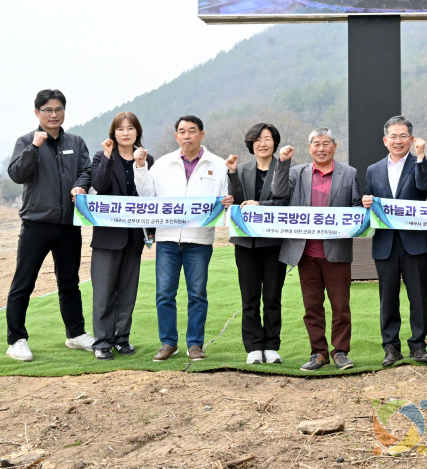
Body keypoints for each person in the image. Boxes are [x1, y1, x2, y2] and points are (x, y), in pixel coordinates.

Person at [4, 89, 95, 362]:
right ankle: (16, 339)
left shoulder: (76, 142)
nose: (53, 114)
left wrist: (81, 185)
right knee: (24, 282)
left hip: (69, 224)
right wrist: (35, 147)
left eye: (58, 109)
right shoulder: (26, 141)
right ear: (37, 113)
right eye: (47, 110)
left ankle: (76, 334)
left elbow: (86, 170)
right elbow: (17, 174)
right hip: (36, 224)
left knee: (69, 282)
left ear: (64, 111)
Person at [134, 115, 233, 363]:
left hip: (199, 241)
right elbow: (147, 195)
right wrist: (140, 168)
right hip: (167, 239)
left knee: (197, 294)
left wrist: (228, 201)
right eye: (181, 131)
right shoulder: (164, 163)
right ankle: (168, 343)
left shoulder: (218, 165)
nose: (186, 136)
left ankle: (195, 344)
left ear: (202, 134)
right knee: (165, 293)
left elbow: (226, 197)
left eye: (192, 131)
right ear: (176, 136)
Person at [272, 128, 363, 372]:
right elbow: (279, 193)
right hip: (305, 253)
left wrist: (363, 207)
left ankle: (341, 352)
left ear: (335, 146)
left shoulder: (349, 173)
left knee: (340, 306)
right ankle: (318, 353)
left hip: (336, 252)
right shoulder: (295, 172)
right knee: (312, 307)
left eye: (326, 143)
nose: (321, 148)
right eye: (316, 144)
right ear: (309, 147)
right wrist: (282, 162)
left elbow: (355, 208)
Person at [361, 116, 427, 367]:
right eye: (393, 136)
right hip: (386, 243)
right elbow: (368, 204)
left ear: (412, 139)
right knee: (388, 298)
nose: (398, 140)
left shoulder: (420, 164)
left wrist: (422, 156)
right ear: (385, 140)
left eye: (403, 136)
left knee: (418, 296)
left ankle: (418, 345)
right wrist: (366, 203)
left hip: (415, 241)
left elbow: (424, 187)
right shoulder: (373, 169)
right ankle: (391, 347)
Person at [87, 111, 154, 361]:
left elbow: (151, 197)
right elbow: (101, 186)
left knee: (128, 290)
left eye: (130, 128)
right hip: (107, 235)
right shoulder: (102, 156)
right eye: (120, 128)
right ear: (113, 133)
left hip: (135, 236)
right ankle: (102, 341)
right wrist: (106, 157)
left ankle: (122, 338)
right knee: (103, 291)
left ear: (138, 132)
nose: (125, 133)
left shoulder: (147, 159)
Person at [226, 122, 289, 366]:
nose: (262, 144)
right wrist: (231, 173)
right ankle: (253, 347)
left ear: (275, 142)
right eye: (257, 139)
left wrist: (260, 206)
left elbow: (284, 202)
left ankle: (272, 346)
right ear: (251, 144)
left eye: (267, 138)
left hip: (273, 243)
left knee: (272, 296)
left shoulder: (283, 169)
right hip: (246, 244)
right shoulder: (241, 169)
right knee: (249, 297)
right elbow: (238, 203)